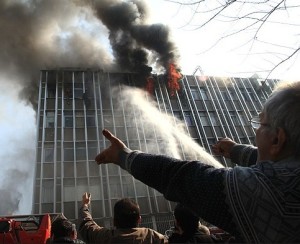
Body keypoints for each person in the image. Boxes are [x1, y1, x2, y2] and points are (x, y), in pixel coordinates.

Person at [94, 81, 300, 243]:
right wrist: (235, 150)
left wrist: (123, 156)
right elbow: (267, 157)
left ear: (277, 139)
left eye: (261, 123)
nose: (256, 130)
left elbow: (182, 176)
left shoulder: (267, 190)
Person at [78, 192, 167, 243]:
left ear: (114, 221)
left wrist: (85, 204)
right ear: (139, 219)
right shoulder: (151, 236)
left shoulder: (105, 237)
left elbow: (87, 224)